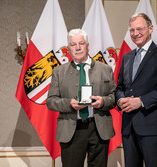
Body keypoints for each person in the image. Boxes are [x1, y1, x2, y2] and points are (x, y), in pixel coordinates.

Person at [115, 13, 157, 167]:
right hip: (128, 128)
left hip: (152, 127)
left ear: (150, 29)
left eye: (140, 29)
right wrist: (120, 98)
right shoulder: (127, 57)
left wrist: (142, 101)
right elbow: (119, 87)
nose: (135, 33)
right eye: (132, 30)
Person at [46, 28, 116, 167]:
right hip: (72, 130)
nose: (78, 47)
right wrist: (69, 103)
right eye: (73, 44)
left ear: (88, 46)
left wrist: (103, 102)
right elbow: (51, 101)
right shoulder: (59, 72)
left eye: (81, 43)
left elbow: (114, 97)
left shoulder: (105, 69)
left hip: (99, 129)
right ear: (68, 48)